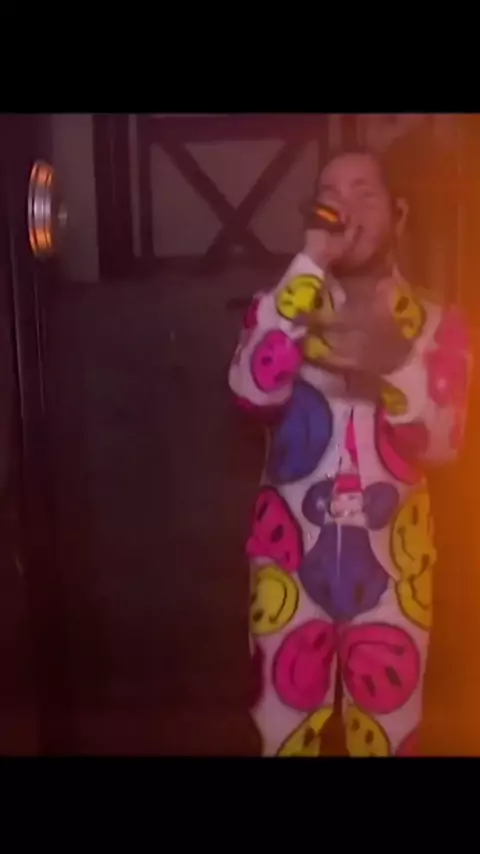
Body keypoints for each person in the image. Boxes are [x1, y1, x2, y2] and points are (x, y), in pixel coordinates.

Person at [228, 147, 472, 757]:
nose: (346, 207)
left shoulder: (443, 324)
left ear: (399, 214)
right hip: (287, 568)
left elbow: (446, 444)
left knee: (387, 742)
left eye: (365, 192)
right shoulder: (277, 310)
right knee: (283, 742)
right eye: (330, 195)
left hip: (397, 574)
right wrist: (311, 263)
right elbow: (250, 391)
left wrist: (396, 365)